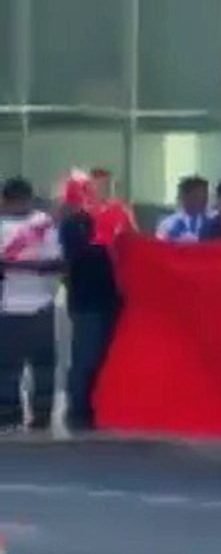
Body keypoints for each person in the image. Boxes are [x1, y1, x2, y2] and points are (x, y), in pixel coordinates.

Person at [59, 179, 122, 431]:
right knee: (85, 355)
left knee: (103, 355)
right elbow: (82, 254)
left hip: (110, 298)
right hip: (86, 300)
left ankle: (99, 403)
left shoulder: (112, 218)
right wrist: (107, 241)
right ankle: (79, 407)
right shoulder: (74, 224)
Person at [0, 178, 62, 432]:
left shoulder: (43, 224)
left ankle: (42, 414)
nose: (19, 205)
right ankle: (8, 414)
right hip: (6, 306)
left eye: (22, 200)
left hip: (40, 304)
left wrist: (17, 266)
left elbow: (56, 262)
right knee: (7, 366)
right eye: (13, 201)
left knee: (43, 364)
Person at [156, 176, 211, 243]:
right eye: (197, 195)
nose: (203, 199)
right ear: (185, 197)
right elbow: (159, 246)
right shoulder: (169, 224)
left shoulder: (212, 222)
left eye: (205, 195)